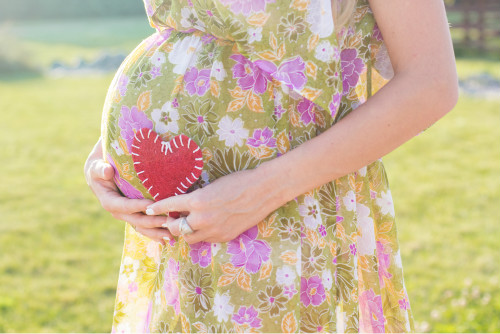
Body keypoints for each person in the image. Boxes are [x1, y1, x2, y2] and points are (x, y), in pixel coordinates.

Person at [84, 0, 458, 332]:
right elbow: (186, 43)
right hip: (174, 238)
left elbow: (431, 83)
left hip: (285, 213)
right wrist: (108, 157)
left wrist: (262, 191)